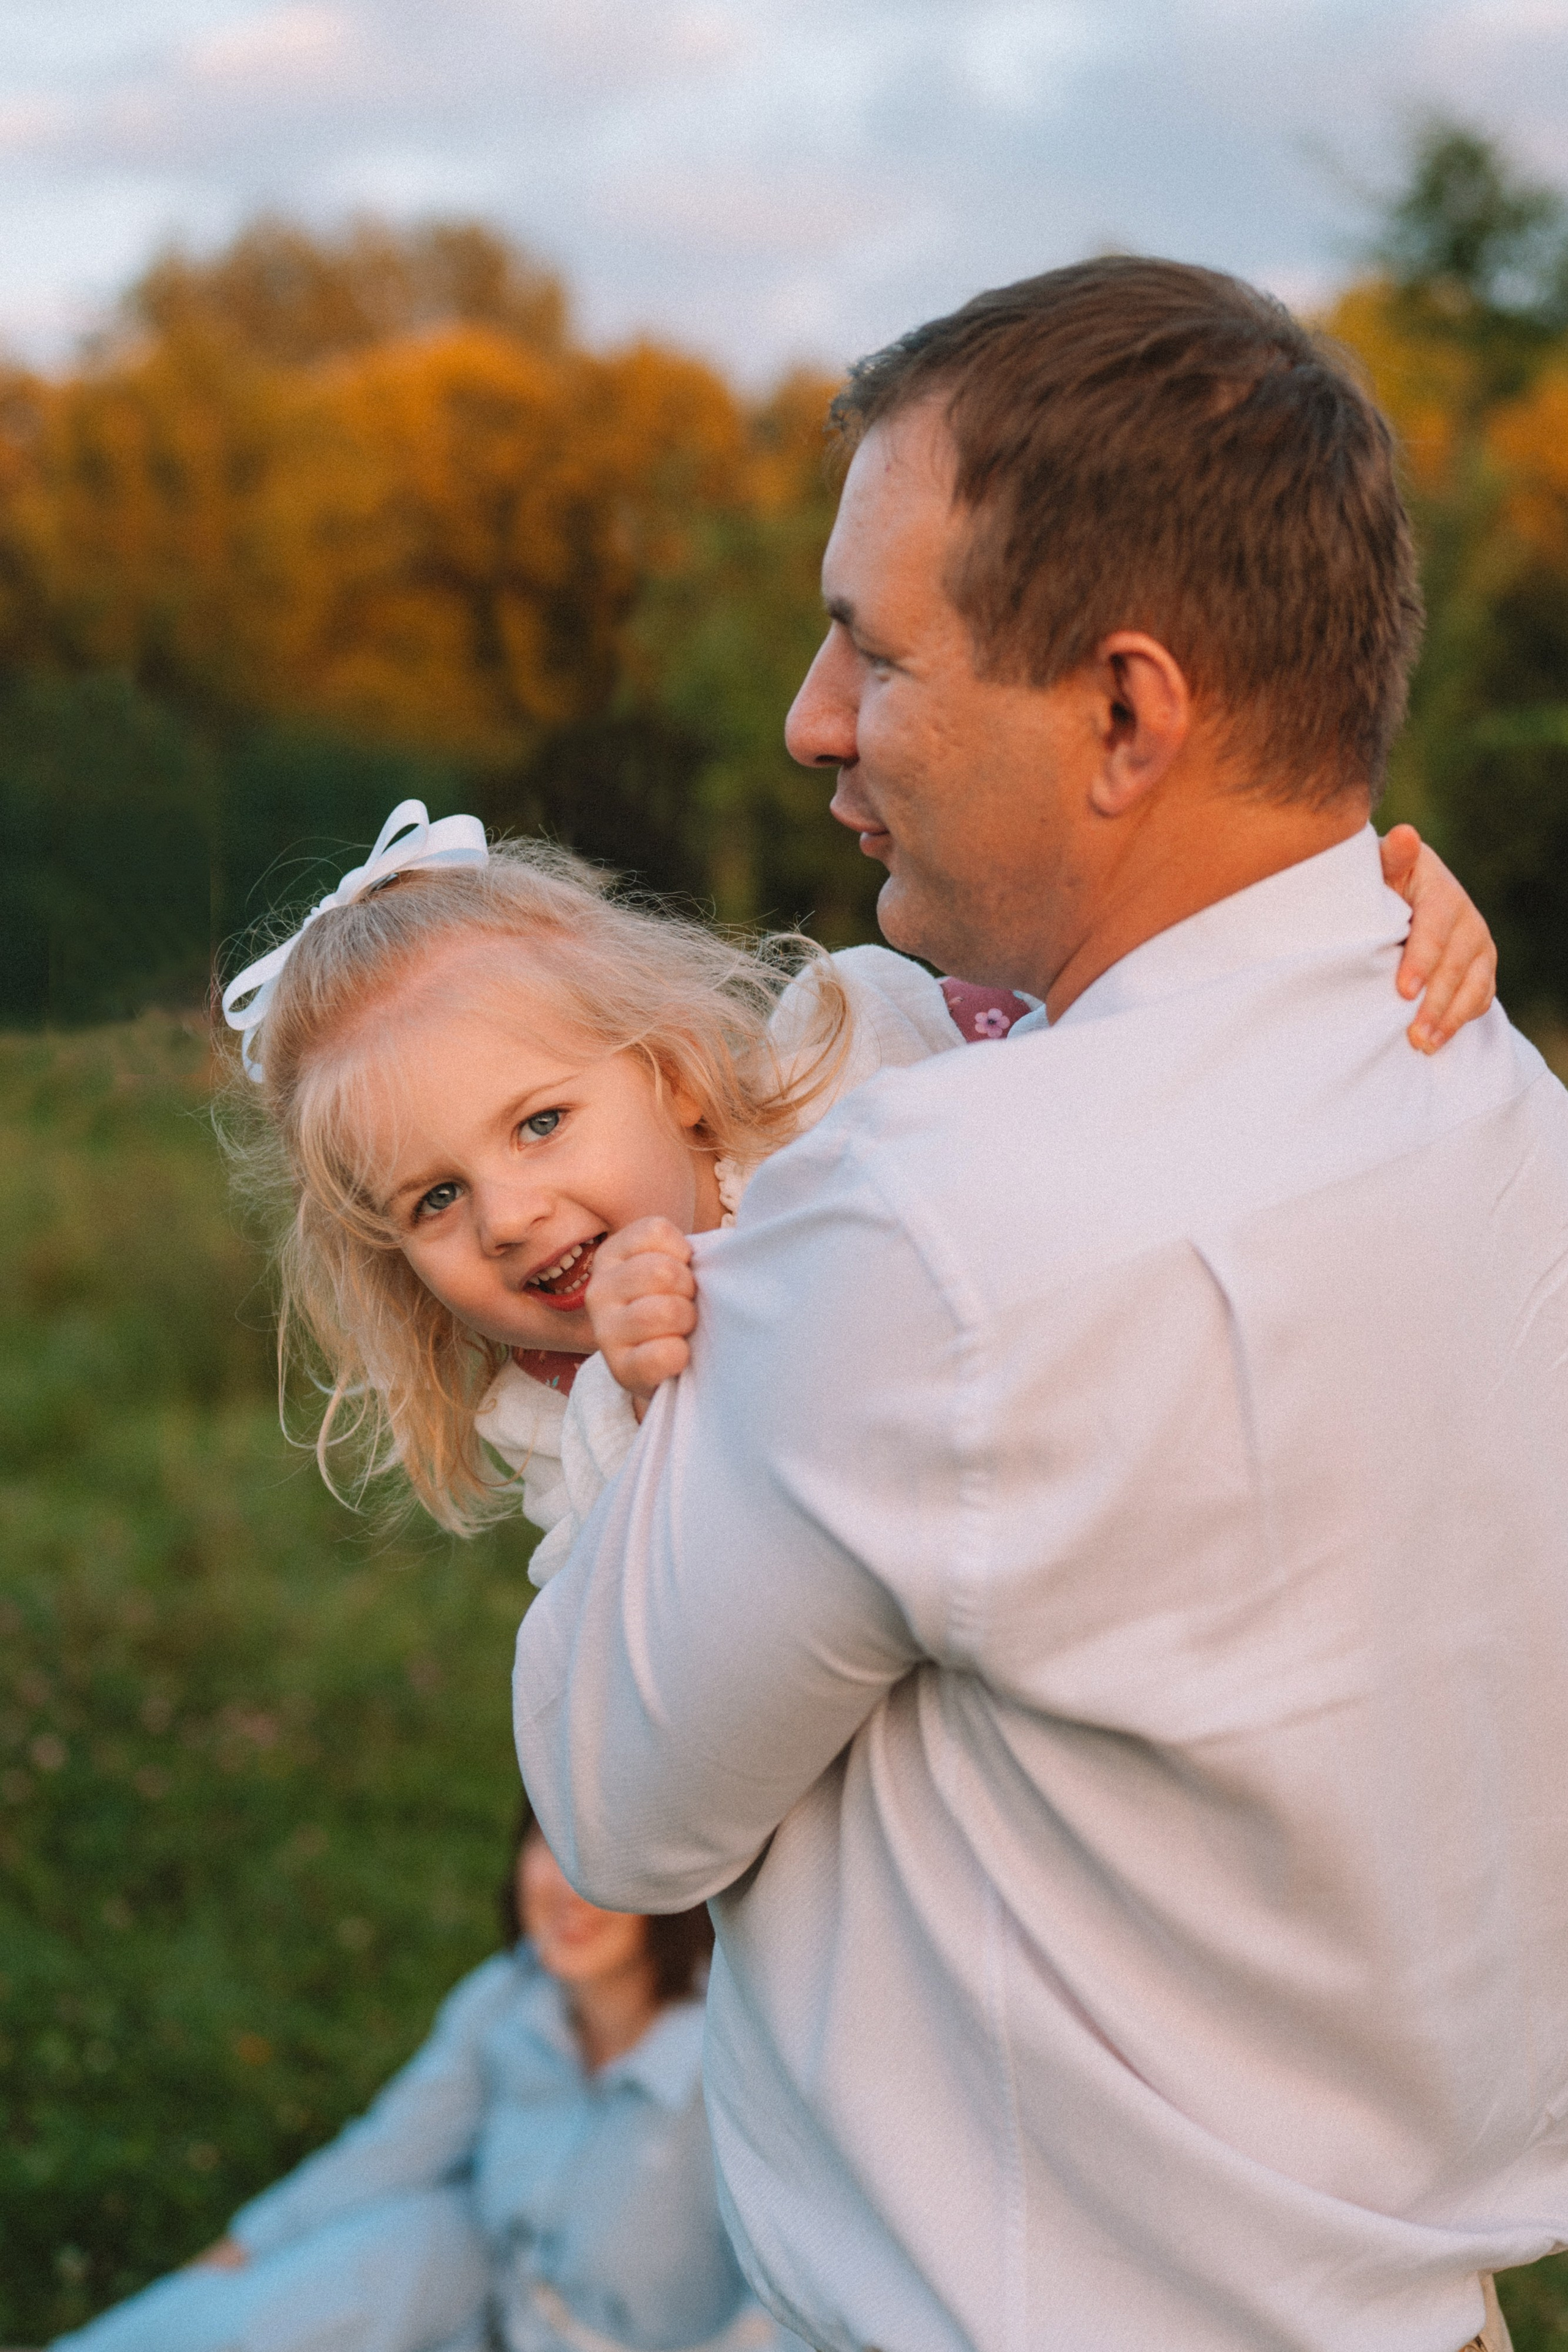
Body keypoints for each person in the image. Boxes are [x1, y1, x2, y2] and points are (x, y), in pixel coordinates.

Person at [512, 258, 1568, 2352]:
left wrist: (639, 1369)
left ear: (1127, 712)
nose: (813, 717)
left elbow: (621, 1806)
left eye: (872, 651)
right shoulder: (1488, 1091)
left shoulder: (941, 1229)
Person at [217, 801, 1488, 1556]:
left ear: (664, 1073)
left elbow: (1120, 1030)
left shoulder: (854, 1053)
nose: (505, 1217)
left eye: (539, 1123)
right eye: (431, 1201)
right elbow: (623, 1612)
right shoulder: (551, 1411)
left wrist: (1348, 916)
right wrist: (638, 1393)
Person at [52, 1811, 788, 2352]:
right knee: (375, 2256)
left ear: (674, 1888)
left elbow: (800, 2302)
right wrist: (230, 2266)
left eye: (600, 1864)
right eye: (549, 1844)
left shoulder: (734, 2061)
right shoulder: (506, 1998)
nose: (568, 1890)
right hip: (481, 2302)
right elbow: (387, 2154)